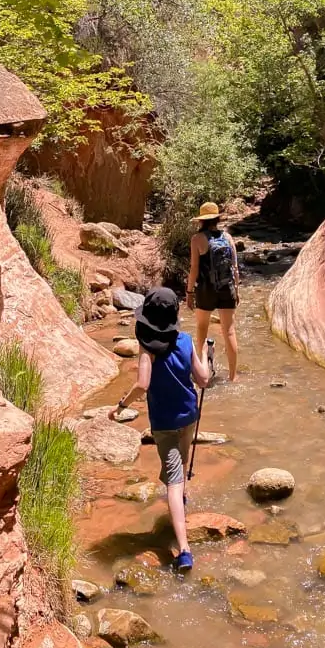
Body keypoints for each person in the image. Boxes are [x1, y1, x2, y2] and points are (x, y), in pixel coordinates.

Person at [109, 286, 210, 572]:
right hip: (189, 415)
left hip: (164, 424)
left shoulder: (147, 350)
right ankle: (181, 497)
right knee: (182, 459)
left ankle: (184, 550)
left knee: (173, 484)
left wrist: (120, 406)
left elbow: (142, 385)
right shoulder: (187, 341)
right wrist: (207, 359)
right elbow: (203, 380)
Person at [186, 201, 240, 382]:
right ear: (217, 219)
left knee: (202, 329)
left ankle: (201, 375)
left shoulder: (197, 239)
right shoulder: (228, 237)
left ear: (201, 220)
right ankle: (233, 377)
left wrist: (189, 292)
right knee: (229, 332)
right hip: (227, 288)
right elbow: (235, 268)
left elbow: (194, 269)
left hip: (206, 290)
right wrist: (236, 289)